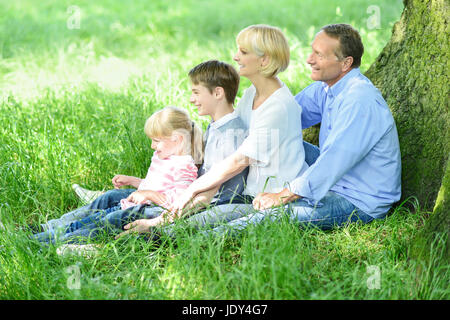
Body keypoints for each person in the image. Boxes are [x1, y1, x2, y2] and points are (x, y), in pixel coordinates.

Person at [197, 23, 402, 236]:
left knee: (271, 217)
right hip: (339, 174)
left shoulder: (359, 101)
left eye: (319, 55)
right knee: (275, 140)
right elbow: (285, 117)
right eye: (312, 51)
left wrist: (283, 195)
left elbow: (332, 162)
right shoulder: (328, 88)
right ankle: (222, 195)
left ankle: (201, 240)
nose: (309, 59)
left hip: (357, 198)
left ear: (345, 63)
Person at [118, 24, 309, 238]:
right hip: (243, 192)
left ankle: (100, 247)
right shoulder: (252, 93)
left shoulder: (277, 107)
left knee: (176, 231)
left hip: (266, 200)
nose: (236, 57)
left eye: (243, 52)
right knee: (162, 214)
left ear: (264, 60)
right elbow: (227, 134)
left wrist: (189, 192)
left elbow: (236, 162)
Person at [32, 106, 202, 243]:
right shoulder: (163, 155)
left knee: (98, 222)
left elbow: (177, 201)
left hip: (149, 211)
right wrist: (133, 181)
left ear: (177, 139)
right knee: (101, 207)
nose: (152, 146)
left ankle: (46, 242)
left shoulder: (185, 166)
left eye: (156, 141)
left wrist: (148, 194)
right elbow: (157, 184)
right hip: (136, 203)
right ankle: (48, 230)